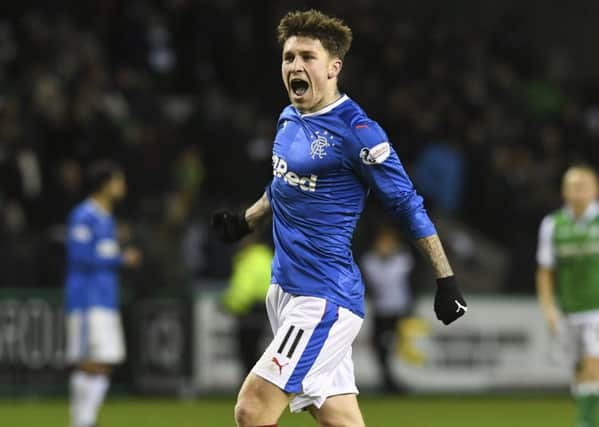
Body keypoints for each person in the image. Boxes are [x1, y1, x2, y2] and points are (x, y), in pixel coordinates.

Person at [211, 10, 467, 427]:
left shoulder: (359, 132)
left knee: (252, 408)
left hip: (323, 299)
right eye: (288, 57)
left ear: (334, 67)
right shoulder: (289, 117)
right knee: (340, 419)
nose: (295, 66)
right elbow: (282, 183)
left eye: (307, 57)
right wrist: (247, 220)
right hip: (285, 291)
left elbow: (407, 204)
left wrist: (446, 278)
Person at [64, 160, 142, 427]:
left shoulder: (106, 218)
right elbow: (79, 255)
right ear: (105, 184)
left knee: (104, 360)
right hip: (88, 299)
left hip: (104, 298)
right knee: (90, 361)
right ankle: (82, 422)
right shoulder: (84, 215)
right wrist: (120, 259)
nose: (123, 186)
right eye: (118, 181)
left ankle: (84, 421)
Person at [537, 165, 599, 427]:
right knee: (578, 370)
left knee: (592, 363)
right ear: (564, 191)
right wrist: (549, 308)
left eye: (583, 186)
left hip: (597, 308)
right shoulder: (553, 225)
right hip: (569, 309)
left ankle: (585, 422)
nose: (578, 192)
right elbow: (545, 271)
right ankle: (586, 404)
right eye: (573, 186)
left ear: (595, 191)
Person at [360, 225, 414, 393]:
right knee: (380, 346)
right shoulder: (369, 261)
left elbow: (415, 281)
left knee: (397, 346)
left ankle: (395, 380)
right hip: (380, 310)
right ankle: (388, 380)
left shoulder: (404, 259)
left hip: (400, 309)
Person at [222, 233, 273, 375]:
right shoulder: (268, 257)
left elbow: (243, 290)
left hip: (249, 312)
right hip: (267, 311)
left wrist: (229, 304)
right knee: (260, 351)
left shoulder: (248, 259)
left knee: (247, 354)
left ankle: (251, 389)